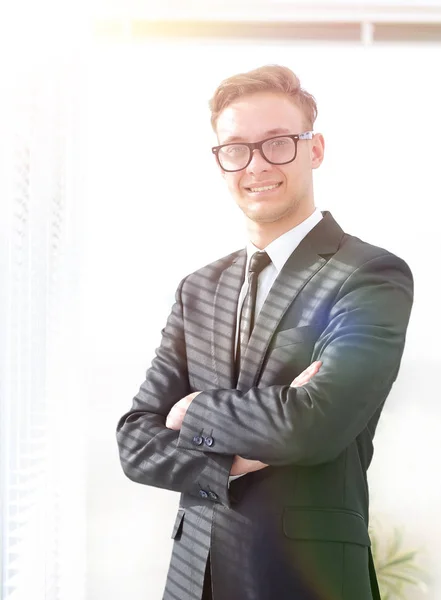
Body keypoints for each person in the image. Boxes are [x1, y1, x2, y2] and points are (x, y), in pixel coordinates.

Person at [116, 65, 413, 600]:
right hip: (194, 581)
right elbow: (136, 441)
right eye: (236, 149)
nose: (256, 165)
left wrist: (194, 410)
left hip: (305, 581)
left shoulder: (369, 274)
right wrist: (246, 453)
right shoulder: (198, 288)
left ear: (314, 149)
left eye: (278, 143)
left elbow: (314, 425)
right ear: (220, 161)